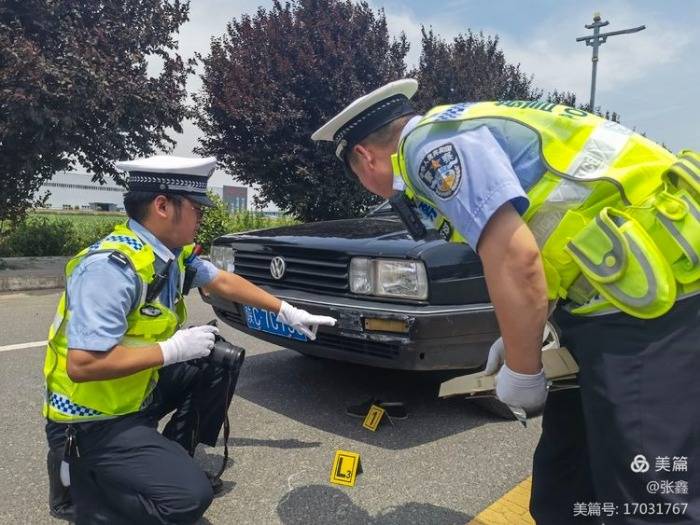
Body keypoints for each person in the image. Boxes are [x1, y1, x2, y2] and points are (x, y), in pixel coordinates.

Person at [312, 79, 700, 524]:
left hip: (655, 302)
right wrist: (521, 335)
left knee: (648, 495)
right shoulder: (460, 126)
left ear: (364, 157)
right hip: (614, 296)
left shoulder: (426, 148)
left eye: (360, 178)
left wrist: (522, 367)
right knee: (564, 479)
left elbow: (516, 259)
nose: (371, 189)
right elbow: (548, 241)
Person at [43, 155, 336, 524]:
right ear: (163, 206)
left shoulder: (169, 256)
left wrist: (286, 311)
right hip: (92, 421)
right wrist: (171, 350)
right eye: (196, 208)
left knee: (219, 358)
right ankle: (83, 494)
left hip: (134, 393)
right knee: (187, 500)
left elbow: (222, 281)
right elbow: (83, 365)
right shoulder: (110, 269)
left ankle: (171, 456)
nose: (201, 217)